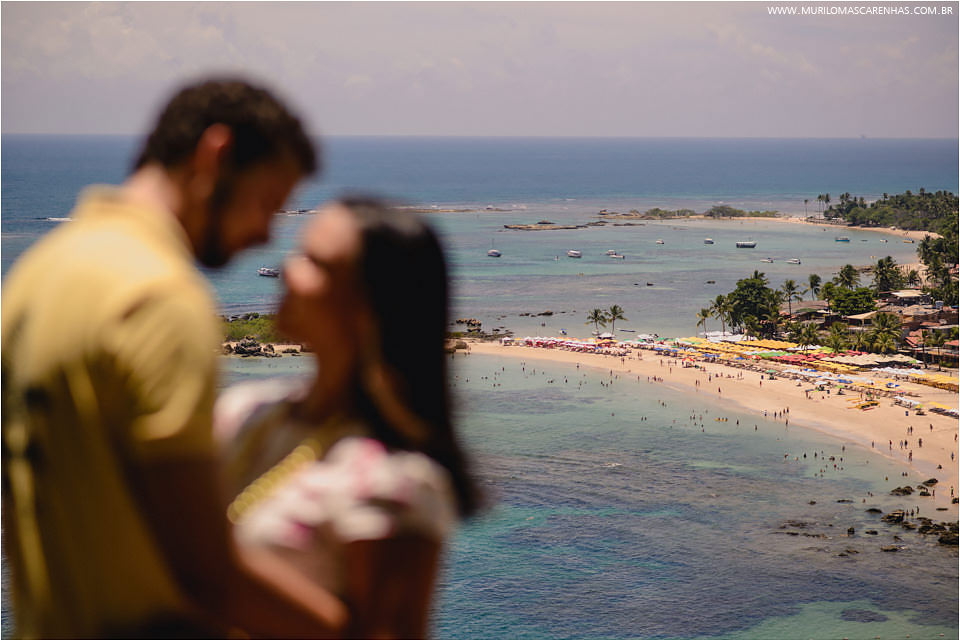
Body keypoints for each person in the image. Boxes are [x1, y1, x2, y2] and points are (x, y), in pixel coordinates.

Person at [1, 78, 345, 637]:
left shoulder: (36, 276)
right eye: (267, 204)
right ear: (217, 154)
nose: (264, 235)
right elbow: (204, 573)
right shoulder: (162, 301)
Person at [215, 197, 480, 638]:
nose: (288, 270)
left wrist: (203, 560)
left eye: (314, 262)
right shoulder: (243, 411)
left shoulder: (392, 483)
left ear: (368, 310)